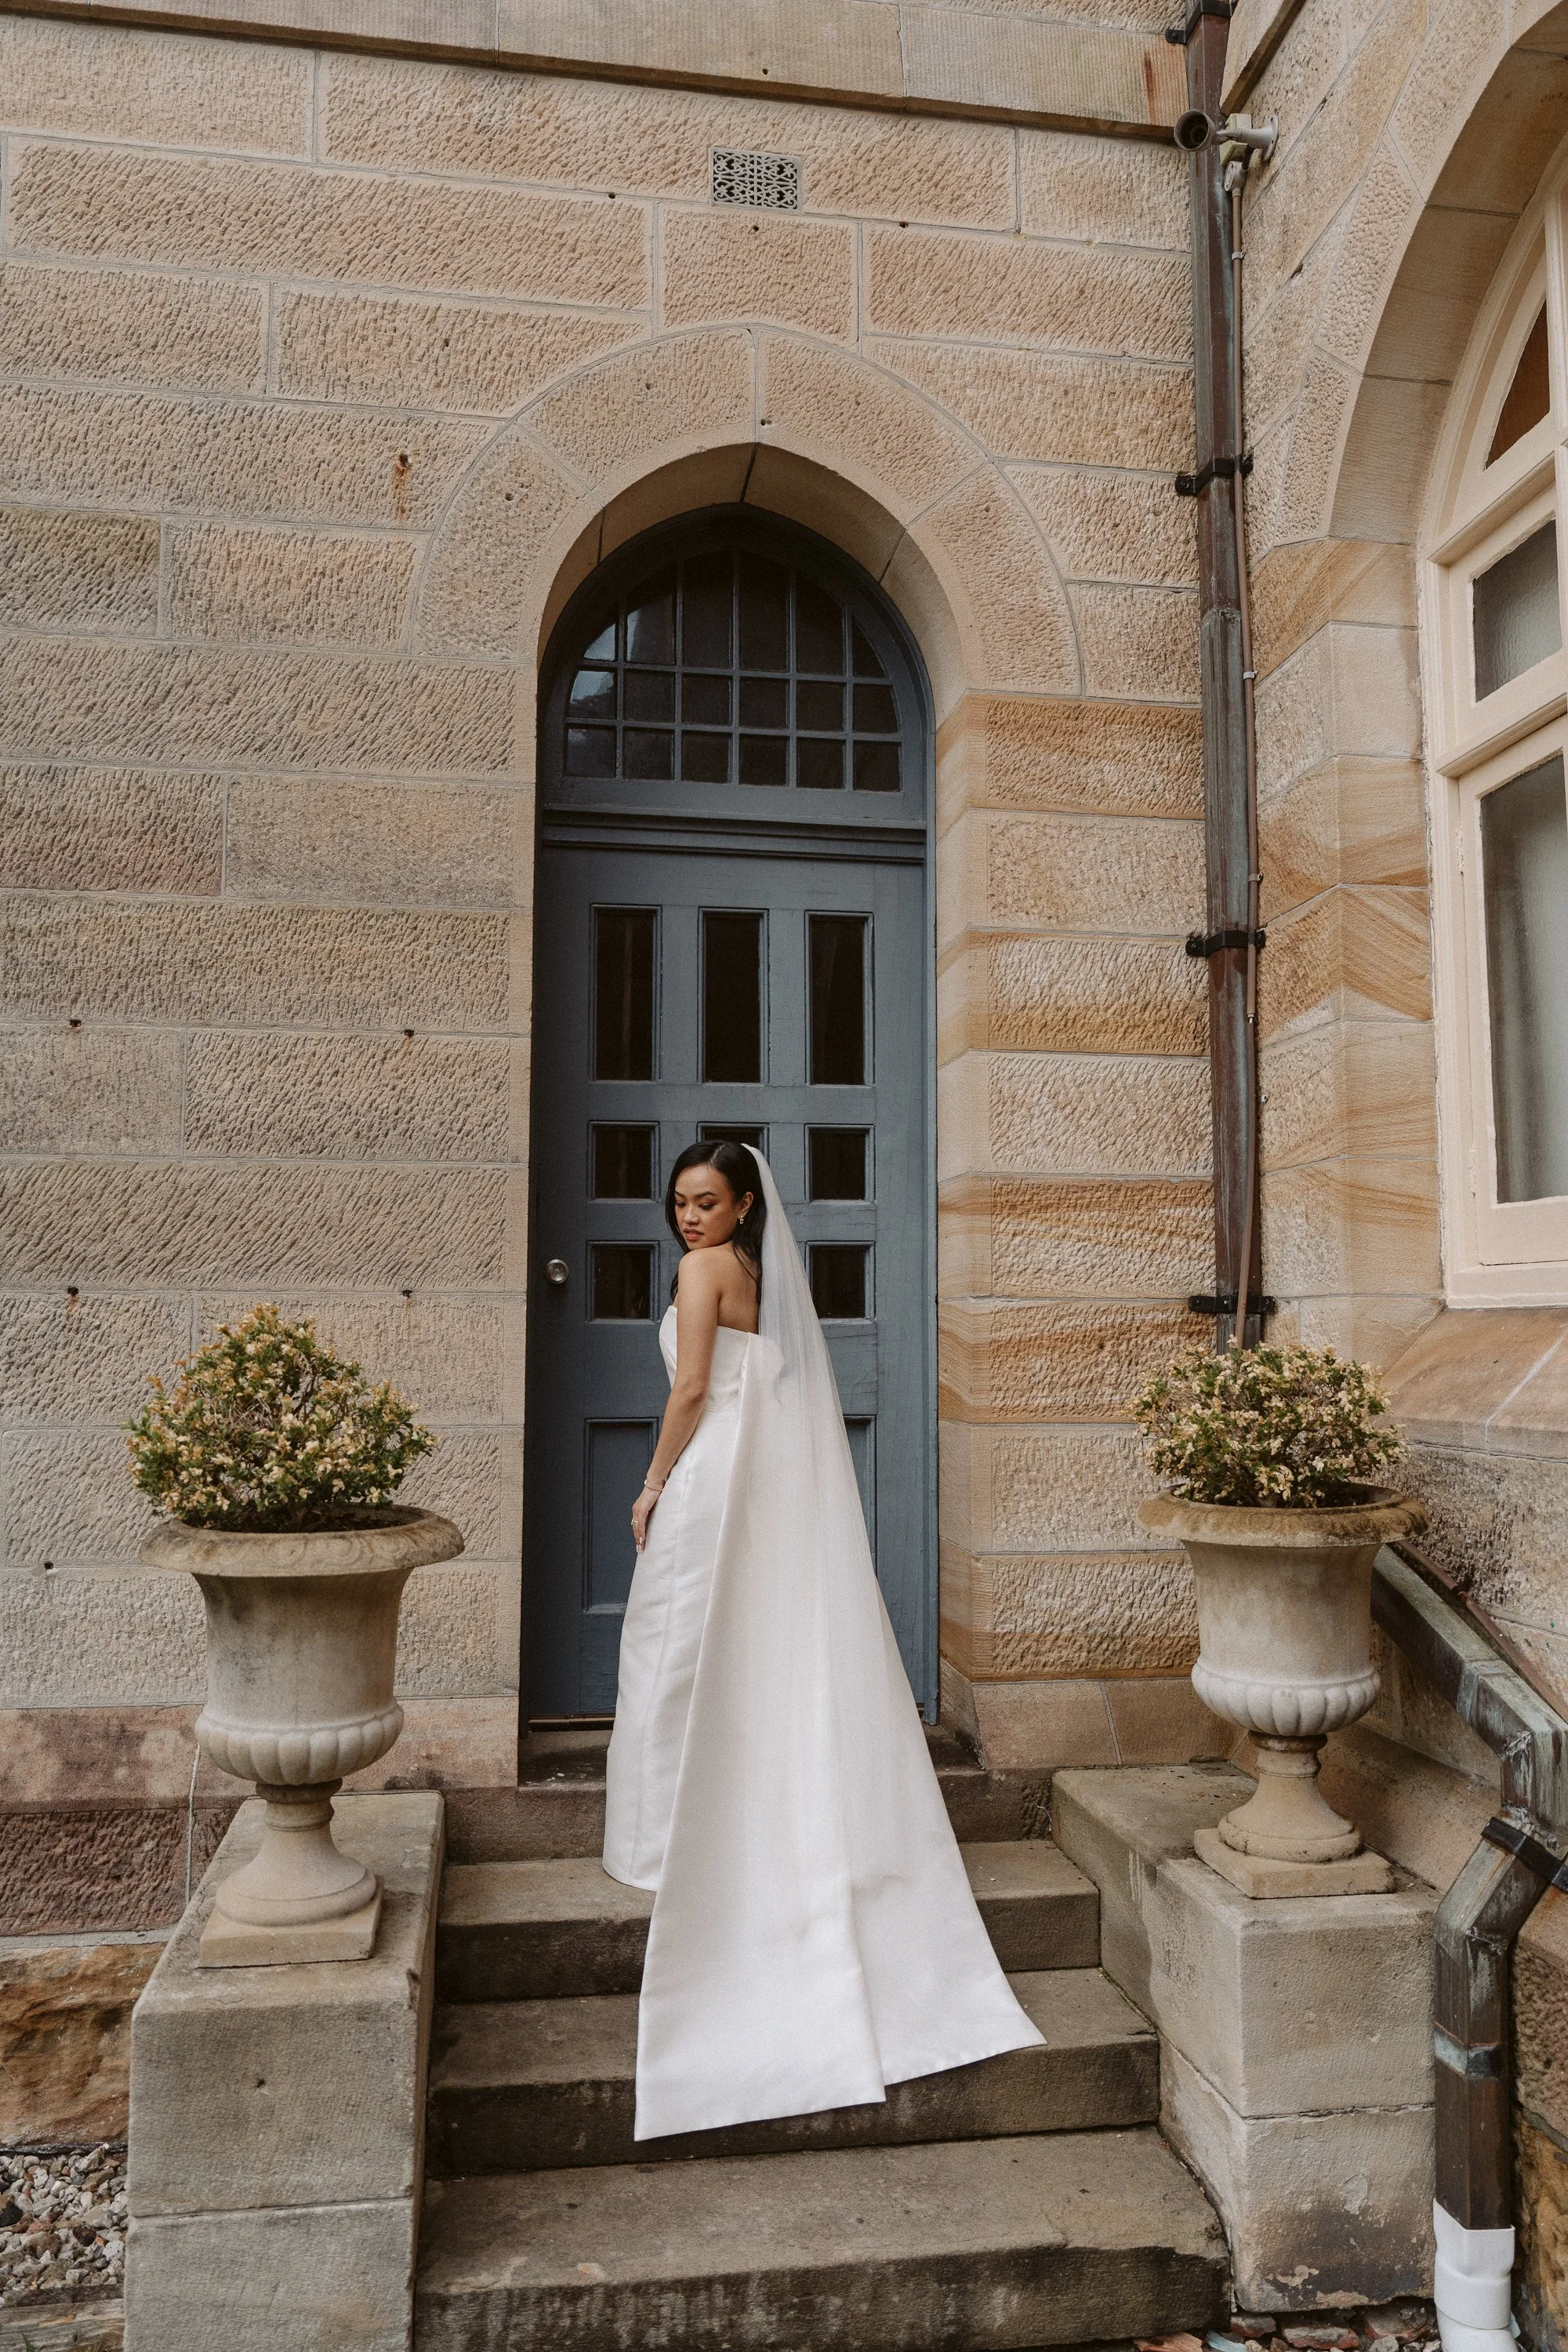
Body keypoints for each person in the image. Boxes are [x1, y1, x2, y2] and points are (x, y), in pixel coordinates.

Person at [603, 1140, 1043, 2143]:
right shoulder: (757, 1271)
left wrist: (652, 1483)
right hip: (743, 1476)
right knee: (703, 1647)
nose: (689, 1219)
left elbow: (690, 1392)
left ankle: (665, 1836)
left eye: (707, 1202)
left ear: (744, 1202)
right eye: (678, 1204)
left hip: (708, 1471)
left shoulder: (704, 1271)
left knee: (672, 1646)